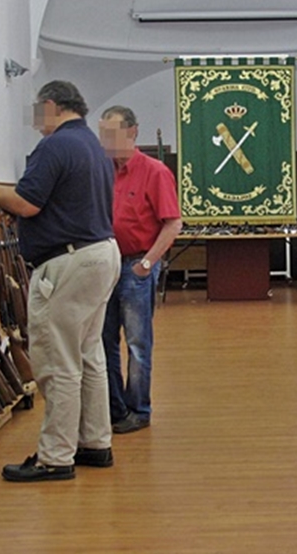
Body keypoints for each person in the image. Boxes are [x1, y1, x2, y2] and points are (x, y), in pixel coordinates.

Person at [0, 81, 121, 483]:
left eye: (39, 112)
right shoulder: (91, 146)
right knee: (89, 357)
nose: (37, 122)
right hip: (99, 253)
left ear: (51, 106)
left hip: (68, 261)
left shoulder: (54, 146)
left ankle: (55, 456)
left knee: (58, 361)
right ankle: (94, 441)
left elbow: (26, 203)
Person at [97, 106, 183, 434]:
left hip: (136, 266)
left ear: (133, 132)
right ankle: (114, 408)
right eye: (103, 133)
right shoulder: (100, 171)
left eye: (113, 133)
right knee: (104, 340)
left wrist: (146, 265)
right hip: (104, 265)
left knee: (137, 343)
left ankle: (139, 409)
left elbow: (173, 224)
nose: (107, 140)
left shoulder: (155, 171)